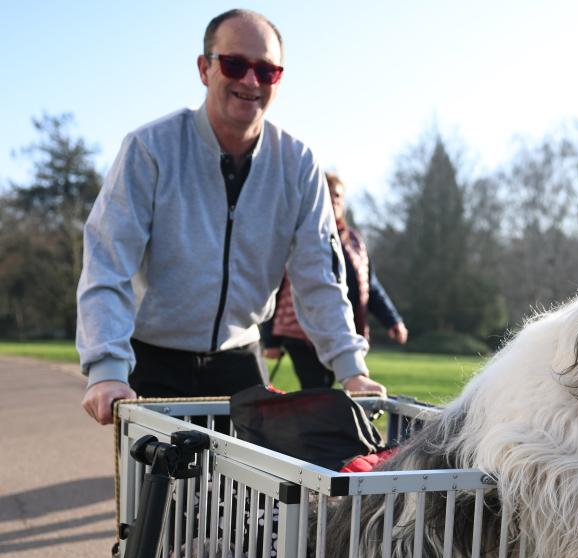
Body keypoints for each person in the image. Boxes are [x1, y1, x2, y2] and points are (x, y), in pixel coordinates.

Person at [77, 9, 385, 425]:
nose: (250, 81)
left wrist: (352, 371)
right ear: (205, 69)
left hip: (239, 359)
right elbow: (107, 262)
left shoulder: (298, 166)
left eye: (266, 70)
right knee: (152, 490)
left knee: (250, 491)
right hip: (151, 361)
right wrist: (106, 370)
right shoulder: (150, 150)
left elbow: (320, 279)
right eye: (235, 64)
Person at [262, 172, 408, 389]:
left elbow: (370, 285)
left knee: (333, 389)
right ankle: (317, 421)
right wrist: (271, 340)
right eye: (328, 194)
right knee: (316, 388)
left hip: (344, 329)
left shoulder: (355, 241)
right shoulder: (296, 237)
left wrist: (392, 319)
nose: (333, 200)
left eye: (338, 195)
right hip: (301, 332)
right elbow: (273, 286)